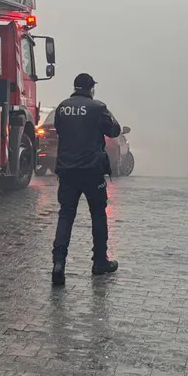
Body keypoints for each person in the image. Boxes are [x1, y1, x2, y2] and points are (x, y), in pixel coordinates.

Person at [51, 72, 122, 286]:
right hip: (92, 171)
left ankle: (58, 264)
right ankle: (100, 262)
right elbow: (114, 130)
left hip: (67, 171)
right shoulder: (98, 108)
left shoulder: (62, 107)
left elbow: (60, 130)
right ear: (91, 88)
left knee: (65, 215)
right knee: (98, 215)